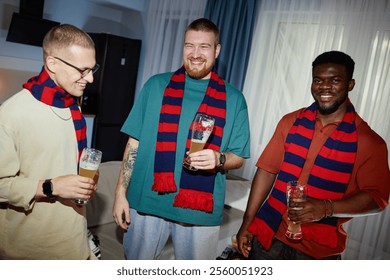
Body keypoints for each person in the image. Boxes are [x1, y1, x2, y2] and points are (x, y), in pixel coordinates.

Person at [113, 18, 250, 260]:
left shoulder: (234, 98)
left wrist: (218, 159)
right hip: (145, 204)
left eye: (204, 47)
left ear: (217, 50)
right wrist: (120, 195)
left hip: (199, 211)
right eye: (189, 45)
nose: (195, 54)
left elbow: (238, 157)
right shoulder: (156, 85)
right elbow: (134, 143)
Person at [237, 50, 390, 260]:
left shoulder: (370, 142)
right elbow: (266, 171)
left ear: (350, 84)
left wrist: (326, 208)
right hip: (269, 236)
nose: (325, 87)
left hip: (318, 252)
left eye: (335, 80)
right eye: (318, 80)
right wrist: (247, 221)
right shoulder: (290, 121)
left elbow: (377, 199)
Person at [0, 24, 100, 259]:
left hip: (75, 241)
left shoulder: (73, 104)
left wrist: (88, 183)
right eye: (83, 70)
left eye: (93, 68)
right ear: (53, 64)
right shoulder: (11, 113)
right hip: (30, 250)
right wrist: (51, 186)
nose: (91, 78)